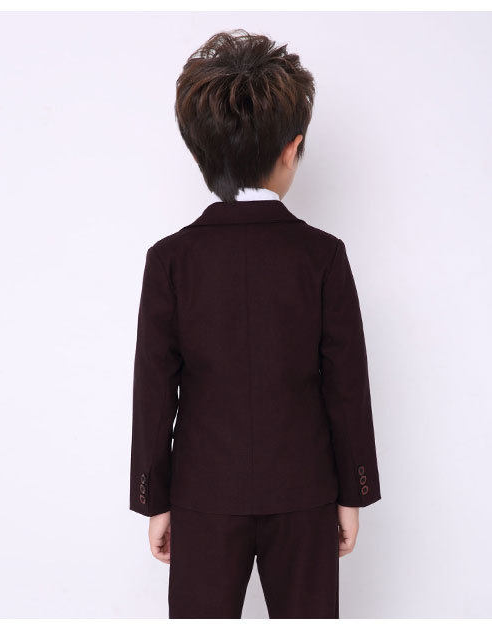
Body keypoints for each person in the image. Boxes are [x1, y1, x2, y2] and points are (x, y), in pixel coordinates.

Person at [129, 28, 381, 619]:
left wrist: (154, 497)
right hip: (305, 492)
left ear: (200, 155)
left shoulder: (170, 260)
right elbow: (346, 385)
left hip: (202, 494)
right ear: (293, 148)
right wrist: (353, 492)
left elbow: (154, 391)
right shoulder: (323, 256)